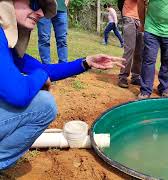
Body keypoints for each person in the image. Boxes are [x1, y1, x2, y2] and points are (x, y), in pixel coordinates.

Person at [0, 0, 124, 170]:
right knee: (44, 105)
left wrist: (86, 62)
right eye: (35, 4)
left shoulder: (6, 41)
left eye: (43, 8)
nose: (41, 14)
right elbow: (19, 93)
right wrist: (42, 76)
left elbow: (43, 69)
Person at [118, 0, 144, 88]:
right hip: (129, 16)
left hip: (141, 19)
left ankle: (136, 76)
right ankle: (123, 76)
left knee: (139, 50)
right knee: (130, 48)